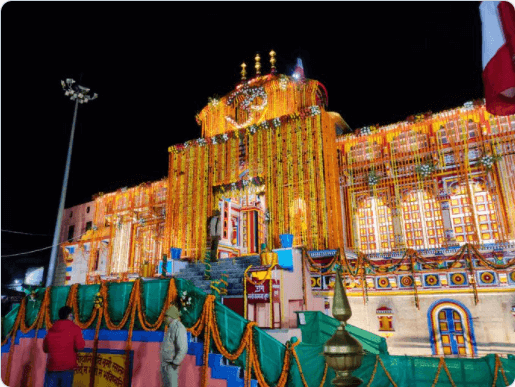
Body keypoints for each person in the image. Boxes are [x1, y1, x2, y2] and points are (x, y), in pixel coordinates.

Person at [43, 305, 85, 387]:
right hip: (67, 367)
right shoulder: (75, 328)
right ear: (69, 315)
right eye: (72, 315)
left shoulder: (52, 329)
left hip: (52, 366)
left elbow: (45, 348)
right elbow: (80, 346)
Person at [161, 305, 188, 387]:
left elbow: (183, 348)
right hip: (166, 364)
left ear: (171, 317)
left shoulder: (179, 328)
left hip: (171, 365)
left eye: (166, 316)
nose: (164, 318)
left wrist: (175, 363)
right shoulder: (171, 327)